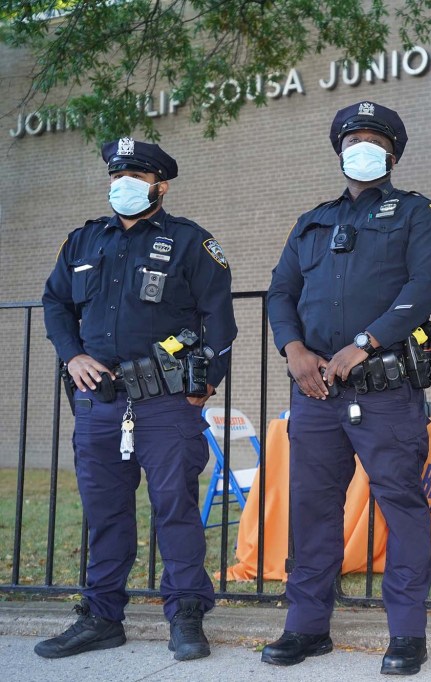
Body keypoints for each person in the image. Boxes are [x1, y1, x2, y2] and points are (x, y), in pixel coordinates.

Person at [264, 101, 431, 675]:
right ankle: (305, 627)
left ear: (391, 152)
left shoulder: (418, 213)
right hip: (316, 392)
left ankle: (406, 635)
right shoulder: (312, 221)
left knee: (401, 504)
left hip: (386, 389)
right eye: (352, 139)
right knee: (314, 509)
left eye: (373, 139)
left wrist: (367, 341)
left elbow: (428, 283)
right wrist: (293, 349)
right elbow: (280, 292)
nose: (361, 147)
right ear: (339, 151)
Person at [39, 138, 237, 661]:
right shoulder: (82, 242)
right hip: (99, 402)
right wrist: (71, 355)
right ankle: (102, 616)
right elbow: (55, 302)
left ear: (160, 185)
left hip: (167, 401)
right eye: (115, 176)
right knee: (105, 513)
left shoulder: (191, 242)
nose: (120, 184)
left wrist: (205, 380)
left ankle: (186, 615)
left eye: (134, 176)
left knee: (175, 509)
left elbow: (220, 317)